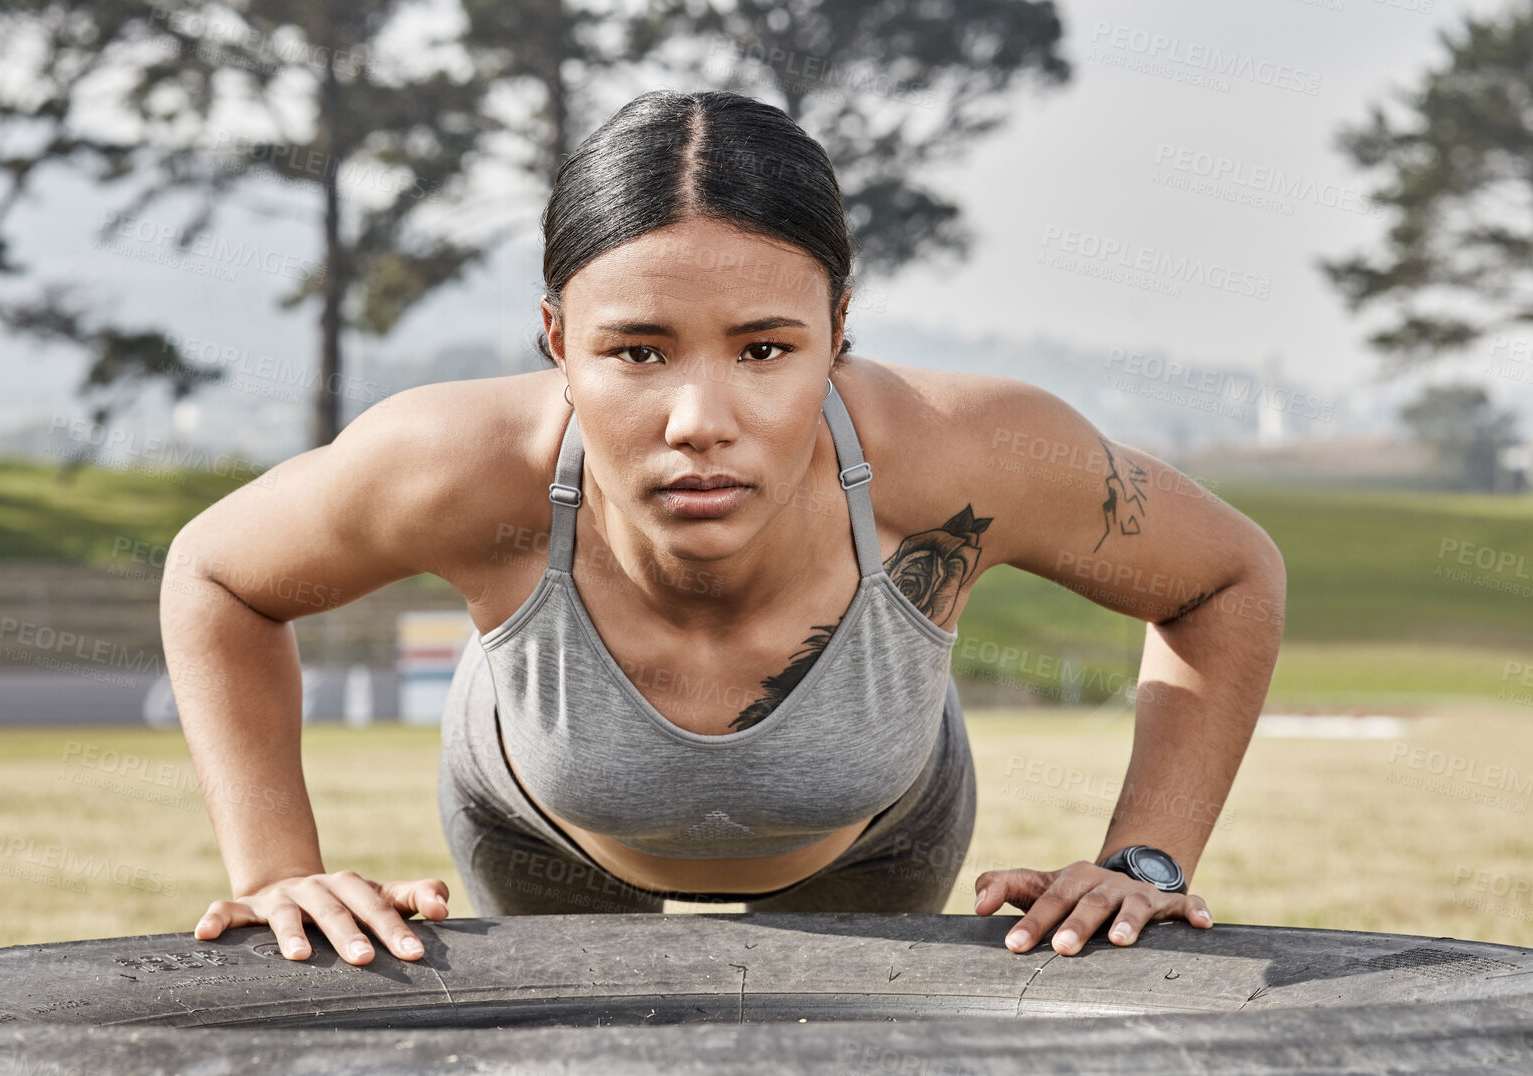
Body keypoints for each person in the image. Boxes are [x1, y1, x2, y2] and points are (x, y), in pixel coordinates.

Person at [168, 89, 1285, 969]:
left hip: (876, 834)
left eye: (764, 349)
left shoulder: (965, 455)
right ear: (556, 338)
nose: (699, 421)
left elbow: (1224, 576)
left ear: (838, 330)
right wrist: (274, 869)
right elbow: (218, 574)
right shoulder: (454, 468)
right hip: (544, 831)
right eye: (637, 351)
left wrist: (1142, 856)